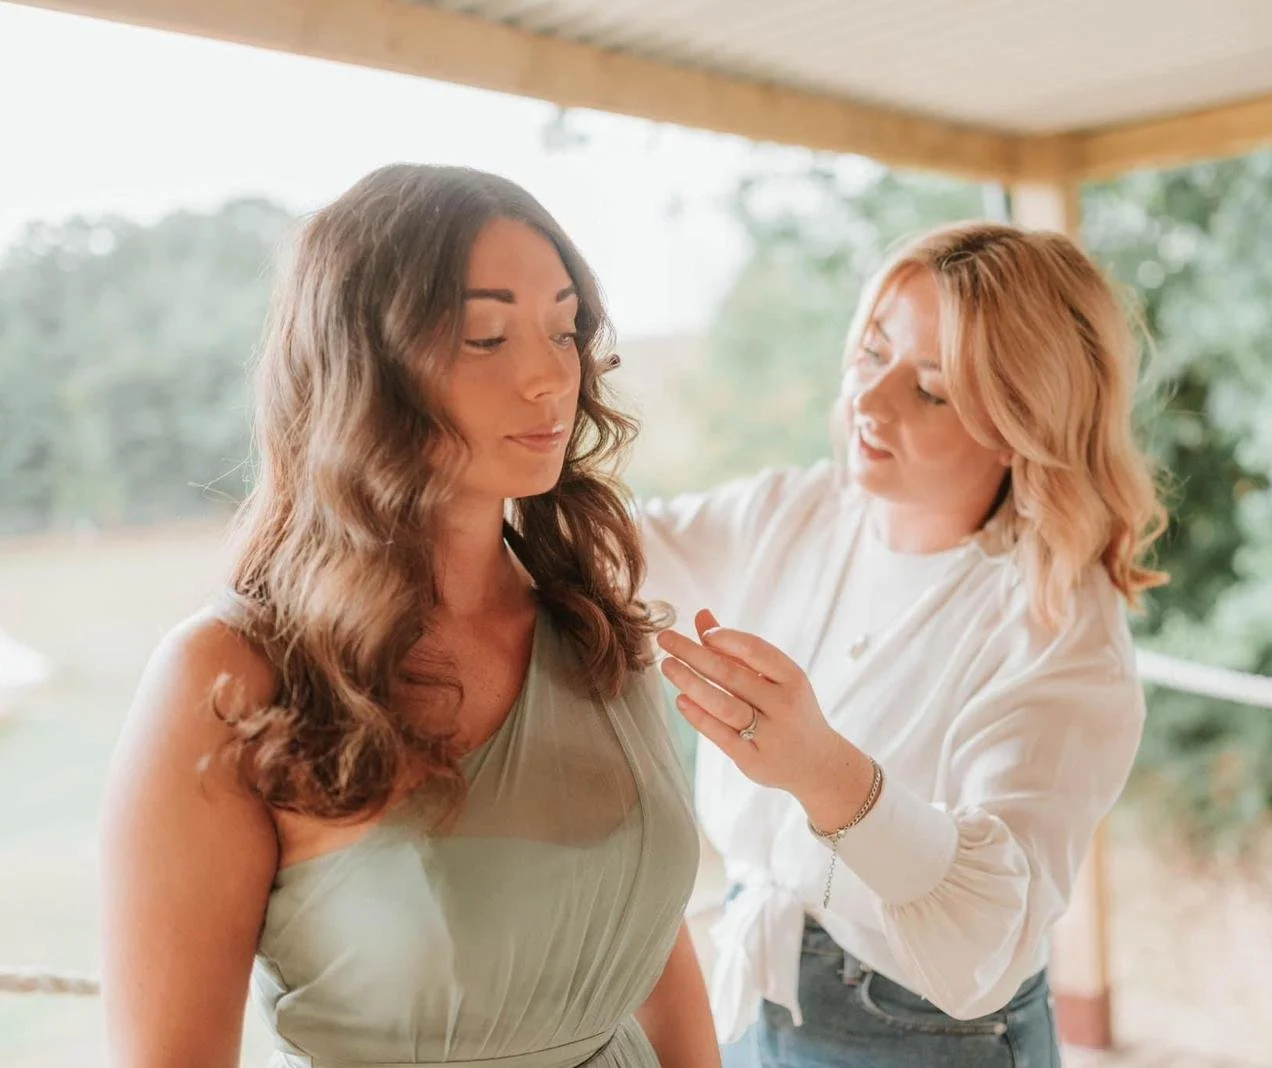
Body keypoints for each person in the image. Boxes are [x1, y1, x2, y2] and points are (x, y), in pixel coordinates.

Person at [100, 164, 717, 1068]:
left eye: (564, 327)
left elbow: (655, 951)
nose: (551, 375)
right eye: (486, 335)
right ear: (365, 366)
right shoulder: (229, 676)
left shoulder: (596, 628)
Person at [638, 221, 1167, 1067]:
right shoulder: (800, 511)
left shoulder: (1059, 629)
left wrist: (825, 772)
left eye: (931, 389)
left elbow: (986, 938)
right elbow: (613, 556)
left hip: (927, 1038)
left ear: (1019, 421)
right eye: (871, 351)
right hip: (757, 995)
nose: (869, 401)